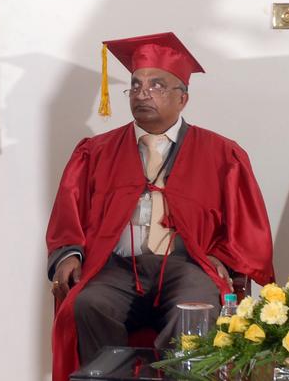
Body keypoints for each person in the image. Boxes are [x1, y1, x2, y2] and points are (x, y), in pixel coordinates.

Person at [46, 32, 274, 381]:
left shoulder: (221, 154)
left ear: (183, 98)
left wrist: (222, 257)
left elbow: (247, 226)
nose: (142, 94)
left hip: (186, 266)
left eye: (156, 85)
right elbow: (68, 215)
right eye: (135, 86)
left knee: (195, 309)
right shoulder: (96, 151)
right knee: (89, 304)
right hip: (117, 268)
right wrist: (69, 255)